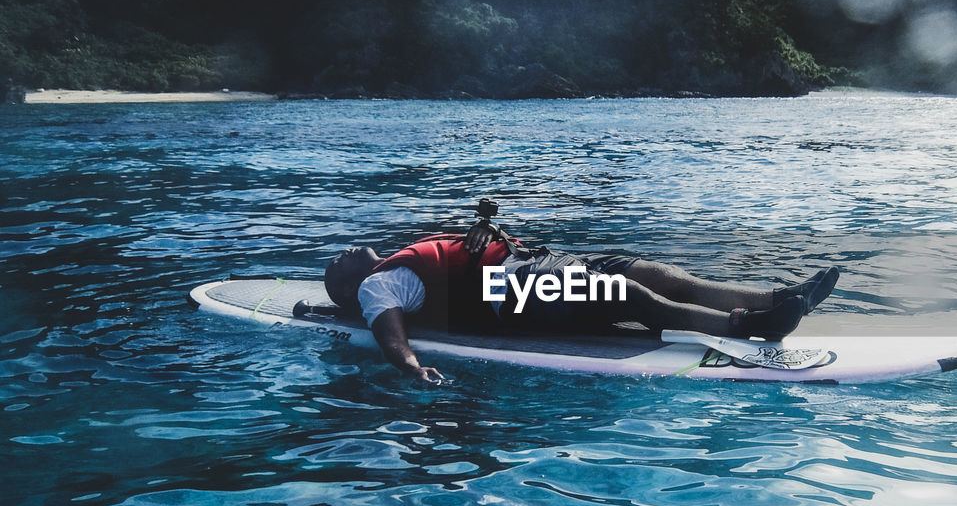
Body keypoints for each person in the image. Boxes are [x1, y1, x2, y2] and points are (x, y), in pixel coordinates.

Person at [324, 214, 839, 384]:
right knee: (629, 294)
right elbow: (390, 333)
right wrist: (412, 368)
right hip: (504, 294)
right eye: (333, 265)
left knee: (654, 272)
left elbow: (461, 253)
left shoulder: (402, 255)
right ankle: (750, 327)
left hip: (533, 266)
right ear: (349, 288)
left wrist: (481, 230)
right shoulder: (376, 286)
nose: (340, 253)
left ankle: (783, 295)